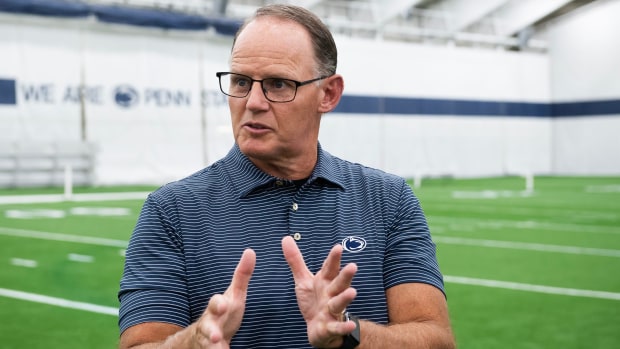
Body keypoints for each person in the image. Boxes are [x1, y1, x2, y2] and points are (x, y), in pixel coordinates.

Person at [118, 4, 455, 349]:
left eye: (278, 84)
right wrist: (194, 342)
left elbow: (436, 339)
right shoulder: (170, 211)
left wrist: (349, 334)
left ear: (328, 94)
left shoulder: (388, 199)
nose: (253, 102)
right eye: (241, 82)